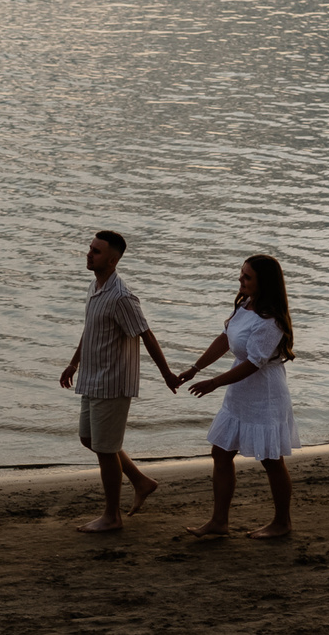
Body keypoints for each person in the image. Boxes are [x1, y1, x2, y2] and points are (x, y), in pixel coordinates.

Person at [58, 229, 182, 532]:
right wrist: (74, 362)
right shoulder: (95, 287)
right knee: (90, 440)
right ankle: (141, 481)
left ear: (113, 260)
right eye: (90, 248)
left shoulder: (121, 297)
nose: (89, 254)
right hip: (92, 377)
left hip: (112, 382)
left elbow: (146, 334)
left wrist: (167, 374)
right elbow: (91, 329)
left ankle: (112, 516)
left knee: (104, 447)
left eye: (96, 251)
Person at [181, 253, 300, 539]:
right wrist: (195, 368)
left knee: (272, 459)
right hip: (240, 393)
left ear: (264, 282)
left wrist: (214, 382)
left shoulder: (271, 320)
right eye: (241, 274)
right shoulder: (245, 305)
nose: (240, 280)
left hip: (265, 394)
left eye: (247, 277)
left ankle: (282, 523)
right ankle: (219, 521)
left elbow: (254, 363)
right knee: (220, 453)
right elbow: (225, 338)